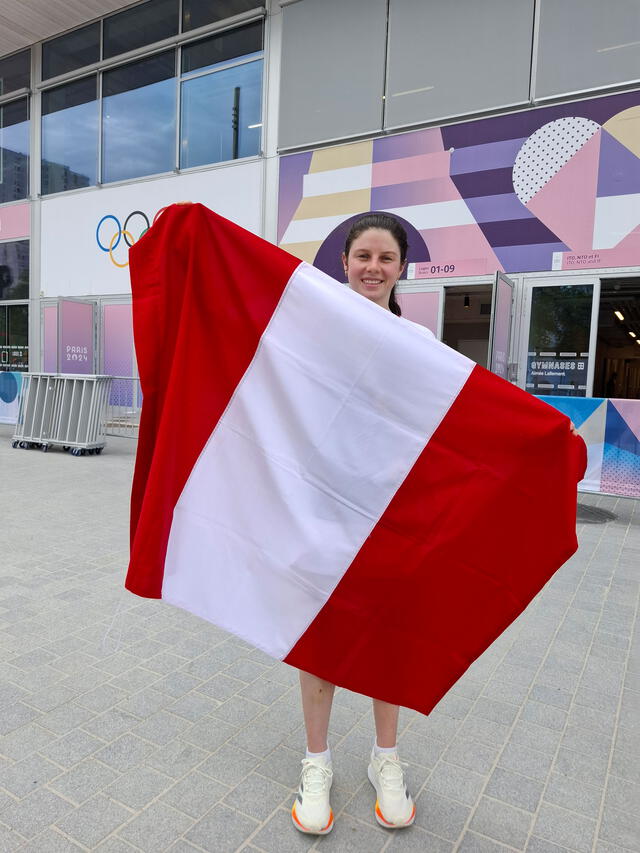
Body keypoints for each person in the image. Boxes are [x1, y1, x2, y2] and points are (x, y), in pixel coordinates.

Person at [292, 213, 416, 836]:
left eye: (385, 258)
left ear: (400, 268)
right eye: (362, 255)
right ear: (343, 262)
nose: (373, 268)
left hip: (388, 515)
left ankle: (385, 759)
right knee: (321, 639)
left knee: (385, 638)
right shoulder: (314, 331)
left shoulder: (418, 342)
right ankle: (317, 762)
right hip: (323, 509)